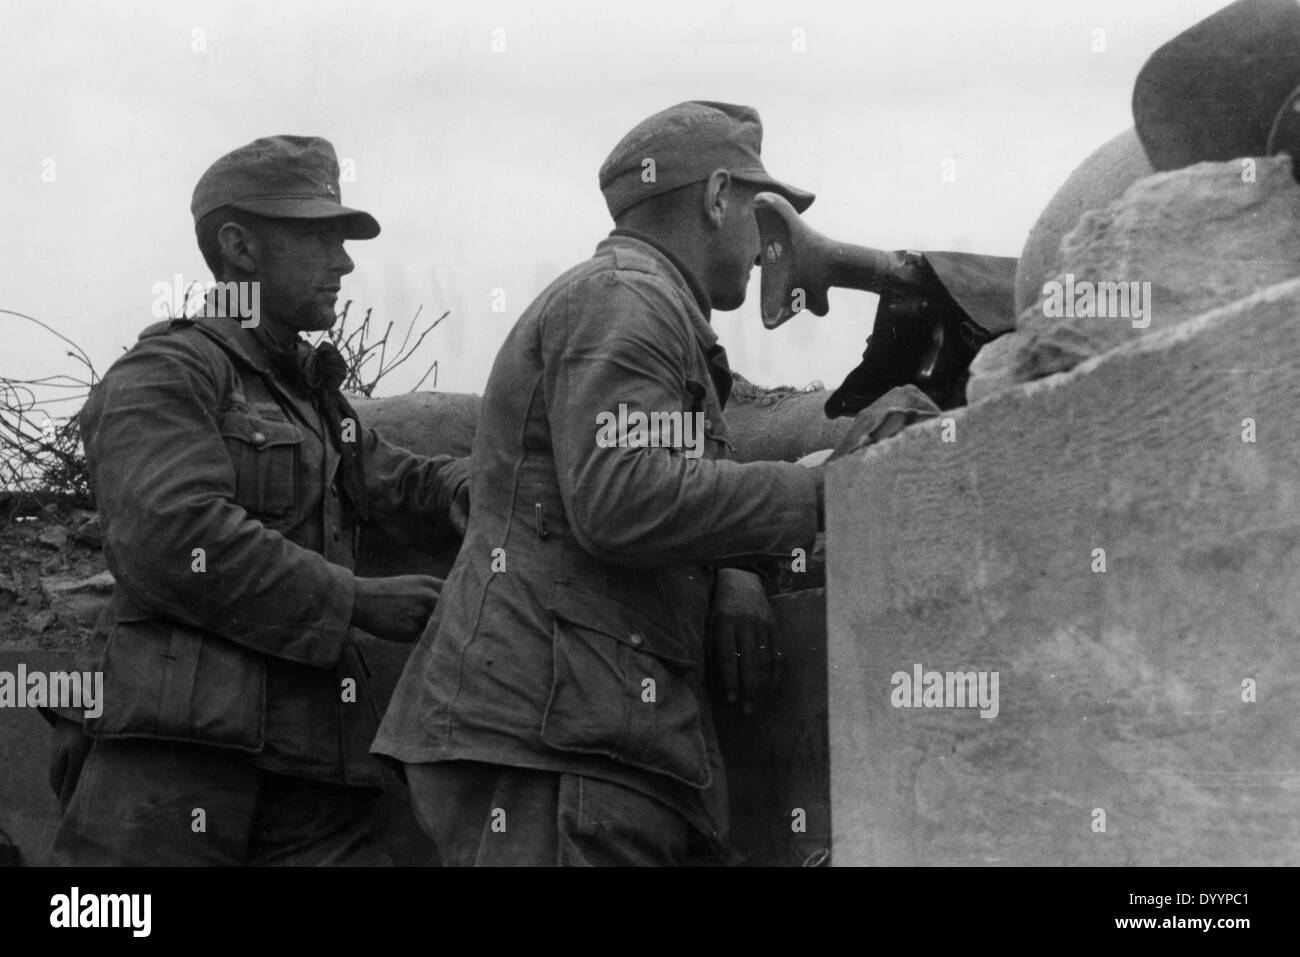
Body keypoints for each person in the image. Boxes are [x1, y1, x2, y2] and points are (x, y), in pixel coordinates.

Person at [373, 101, 824, 866]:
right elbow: (622, 498)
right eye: (760, 211)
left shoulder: (647, 307)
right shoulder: (627, 299)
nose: (767, 245)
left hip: (586, 740)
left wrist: (737, 568)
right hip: (551, 746)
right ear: (717, 197)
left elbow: (653, 486)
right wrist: (816, 495)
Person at [48, 135, 468, 866]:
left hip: (315, 772)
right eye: (320, 238)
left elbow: (395, 480)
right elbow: (174, 538)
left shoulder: (309, 394)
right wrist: (355, 600)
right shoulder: (167, 372)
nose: (344, 262)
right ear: (240, 247)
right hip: (178, 765)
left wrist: (479, 483)